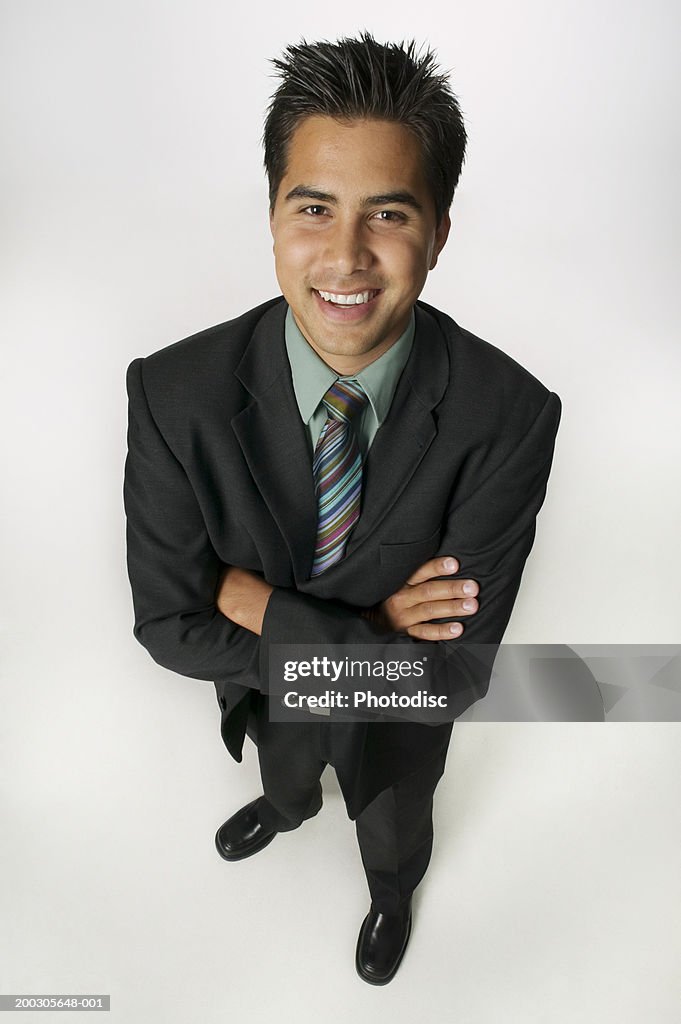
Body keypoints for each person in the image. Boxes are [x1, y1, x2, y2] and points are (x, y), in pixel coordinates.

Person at [124, 33, 561, 985]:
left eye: (389, 213)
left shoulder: (511, 414)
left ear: (439, 230)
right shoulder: (173, 393)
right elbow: (166, 626)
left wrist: (268, 611)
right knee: (284, 778)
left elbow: (450, 678)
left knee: (394, 828)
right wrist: (371, 629)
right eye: (313, 207)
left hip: (399, 736)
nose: (345, 255)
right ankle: (284, 809)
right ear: (274, 214)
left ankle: (393, 894)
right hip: (271, 701)